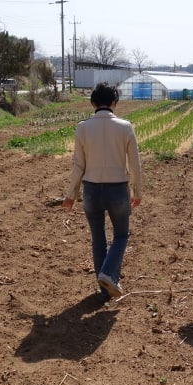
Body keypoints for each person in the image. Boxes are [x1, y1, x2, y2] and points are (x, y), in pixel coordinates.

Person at [62, 83, 143, 300]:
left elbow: (78, 165)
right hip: (117, 189)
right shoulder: (125, 126)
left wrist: (70, 195)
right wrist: (137, 190)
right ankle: (108, 275)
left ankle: (104, 289)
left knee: (98, 238)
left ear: (93, 103)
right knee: (121, 235)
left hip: (91, 190)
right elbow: (134, 163)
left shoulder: (83, 127)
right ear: (115, 103)